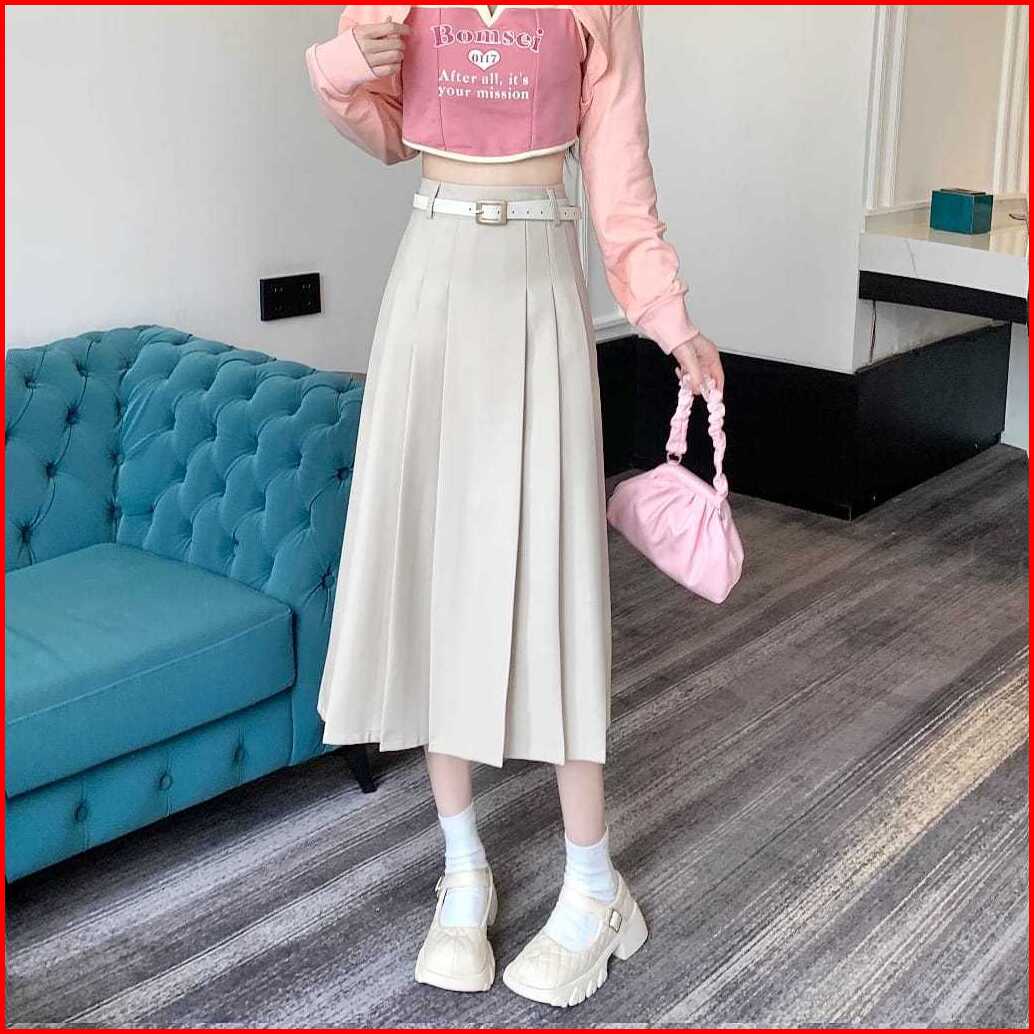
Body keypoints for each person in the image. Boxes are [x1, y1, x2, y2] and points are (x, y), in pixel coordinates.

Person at [304, 4, 724, 1008]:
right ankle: (462, 870)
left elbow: (618, 174)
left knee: (556, 579)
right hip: (430, 279)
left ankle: (594, 885)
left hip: (540, 285)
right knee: (437, 570)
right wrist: (337, 65)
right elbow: (385, 132)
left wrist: (669, 320)